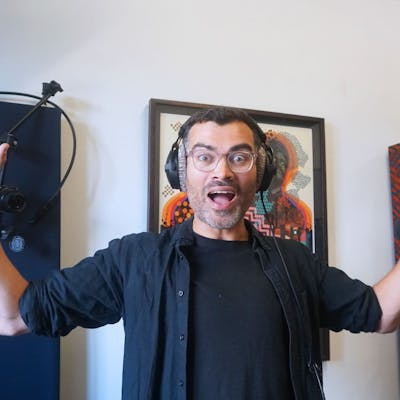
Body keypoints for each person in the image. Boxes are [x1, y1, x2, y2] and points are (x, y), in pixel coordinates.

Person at [0, 107, 399, 400]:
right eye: (204, 156)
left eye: (239, 157)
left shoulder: (295, 262)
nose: (221, 171)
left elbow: (379, 312)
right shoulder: (133, 260)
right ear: (181, 170)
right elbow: (15, 316)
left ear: (260, 172)